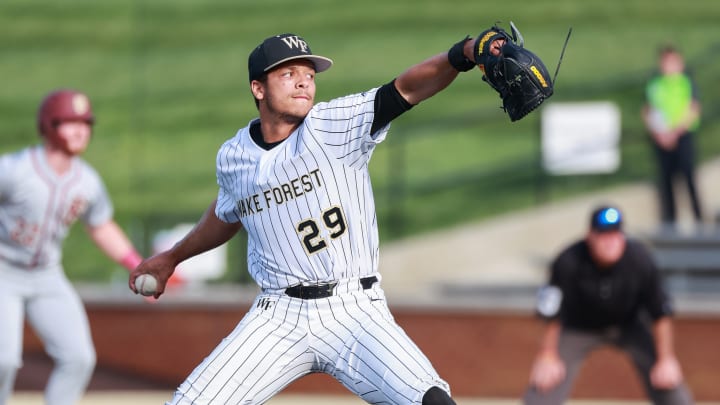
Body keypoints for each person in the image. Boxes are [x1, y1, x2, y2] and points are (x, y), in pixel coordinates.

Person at [129, 31, 506, 404]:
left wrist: (465, 53)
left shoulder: (333, 124)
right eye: (288, 74)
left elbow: (406, 89)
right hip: (278, 316)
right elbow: (229, 212)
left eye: (309, 75)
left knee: (433, 401)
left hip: (354, 310)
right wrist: (171, 258)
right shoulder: (233, 156)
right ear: (258, 88)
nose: (303, 83)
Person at [0, 89, 144, 404]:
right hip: (3, 271)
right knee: (3, 360)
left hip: (46, 275)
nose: (81, 130)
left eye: (86, 123)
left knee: (78, 358)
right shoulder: (15, 169)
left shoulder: (87, 181)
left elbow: (101, 225)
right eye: (69, 122)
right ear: (49, 125)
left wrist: (138, 264)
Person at [524, 205, 694, 405]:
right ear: (590, 236)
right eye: (603, 235)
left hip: (630, 326)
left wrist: (666, 359)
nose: (610, 242)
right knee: (544, 385)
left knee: (670, 385)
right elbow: (551, 313)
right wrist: (547, 355)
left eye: (615, 234)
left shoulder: (640, 259)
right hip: (579, 328)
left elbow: (660, 313)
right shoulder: (568, 261)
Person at [641, 45, 703, 231]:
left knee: (688, 179)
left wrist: (675, 132)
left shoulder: (686, 83)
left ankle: (699, 220)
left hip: (682, 137)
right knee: (666, 182)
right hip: (661, 139)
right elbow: (648, 110)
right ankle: (670, 223)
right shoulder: (655, 84)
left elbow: (693, 108)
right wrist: (659, 133)